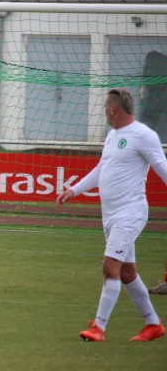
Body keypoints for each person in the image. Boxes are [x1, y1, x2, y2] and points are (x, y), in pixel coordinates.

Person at [56, 88, 167, 342]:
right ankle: (153, 325)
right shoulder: (112, 135)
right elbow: (101, 169)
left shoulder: (143, 135)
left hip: (131, 213)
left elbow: (163, 168)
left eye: (106, 107)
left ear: (114, 109)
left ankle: (98, 327)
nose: (104, 111)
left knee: (110, 266)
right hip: (112, 216)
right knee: (127, 273)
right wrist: (75, 189)